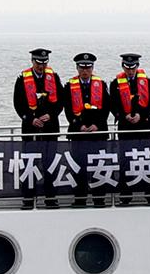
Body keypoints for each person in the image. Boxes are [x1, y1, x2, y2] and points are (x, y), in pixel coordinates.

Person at [12, 47, 62, 209]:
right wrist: (30, 119)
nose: (41, 66)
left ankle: (50, 197)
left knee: (50, 163)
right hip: (31, 128)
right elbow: (18, 103)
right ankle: (28, 198)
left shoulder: (54, 77)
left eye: (44, 63)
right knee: (29, 163)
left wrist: (51, 115)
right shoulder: (22, 79)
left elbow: (61, 102)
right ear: (32, 61)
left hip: (50, 128)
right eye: (38, 63)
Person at [110, 52, 150, 205]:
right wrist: (123, 116)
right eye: (127, 67)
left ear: (137, 66)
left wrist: (141, 115)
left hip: (143, 126)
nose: (130, 70)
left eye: (133, 67)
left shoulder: (146, 81)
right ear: (123, 66)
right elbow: (112, 104)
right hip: (125, 128)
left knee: (148, 160)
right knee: (125, 161)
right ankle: (125, 196)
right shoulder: (115, 83)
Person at [63, 52, 111, 207]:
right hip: (79, 133)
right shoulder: (69, 86)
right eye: (82, 68)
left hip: (98, 133)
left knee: (99, 166)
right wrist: (79, 126)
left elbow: (106, 108)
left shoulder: (101, 84)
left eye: (88, 68)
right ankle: (80, 198)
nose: (85, 71)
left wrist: (98, 125)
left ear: (92, 68)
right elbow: (68, 109)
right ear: (77, 68)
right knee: (78, 166)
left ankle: (99, 199)